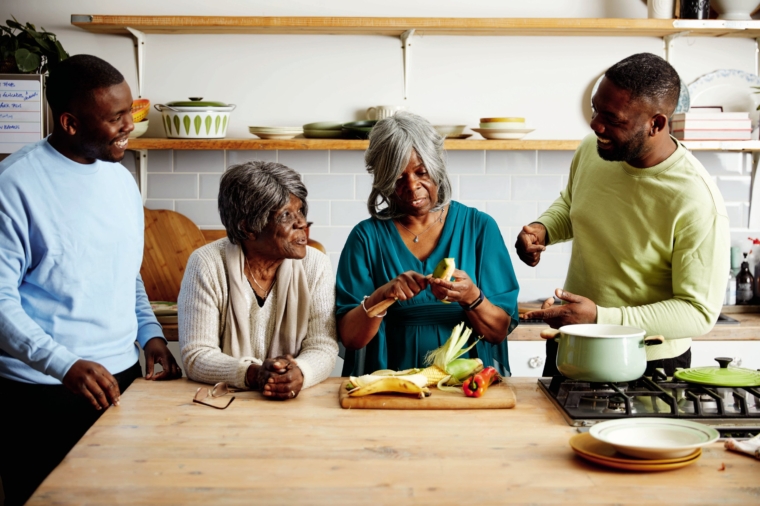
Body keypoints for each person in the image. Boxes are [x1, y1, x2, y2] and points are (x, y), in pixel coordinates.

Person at [0, 54, 182, 505]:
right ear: (71, 123)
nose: (129, 126)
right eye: (116, 117)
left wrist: (149, 331)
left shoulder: (120, 179)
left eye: (131, 113)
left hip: (120, 377)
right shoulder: (15, 185)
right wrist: (62, 363)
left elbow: (124, 269)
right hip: (41, 391)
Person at [515, 53, 730, 377]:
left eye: (612, 118)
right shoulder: (594, 149)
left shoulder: (696, 200)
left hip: (645, 361)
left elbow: (697, 312)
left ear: (656, 124)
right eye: (595, 109)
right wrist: (543, 228)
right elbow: (572, 202)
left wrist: (601, 318)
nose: (595, 124)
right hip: (572, 344)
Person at [336, 112, 519, 376]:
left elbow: (497, 331)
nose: (412, 187)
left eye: (421, 172)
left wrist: (471, 297)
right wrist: (382, 295)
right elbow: (351, 339)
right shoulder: (365, 238)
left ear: (437, 167)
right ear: (382, 180)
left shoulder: (479, 228)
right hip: (391, 381)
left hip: (465, 383)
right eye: (398, 178)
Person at [178, 161, 338, 399]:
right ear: (248, 227)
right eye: (286, 215)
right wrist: (252, 374)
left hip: (296, 402)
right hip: (225, 402)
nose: (302, 223)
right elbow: (197, 354)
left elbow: (323, 345)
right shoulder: (206, 263)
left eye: (301, 210)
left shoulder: (316, 264)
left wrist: (300, 373)